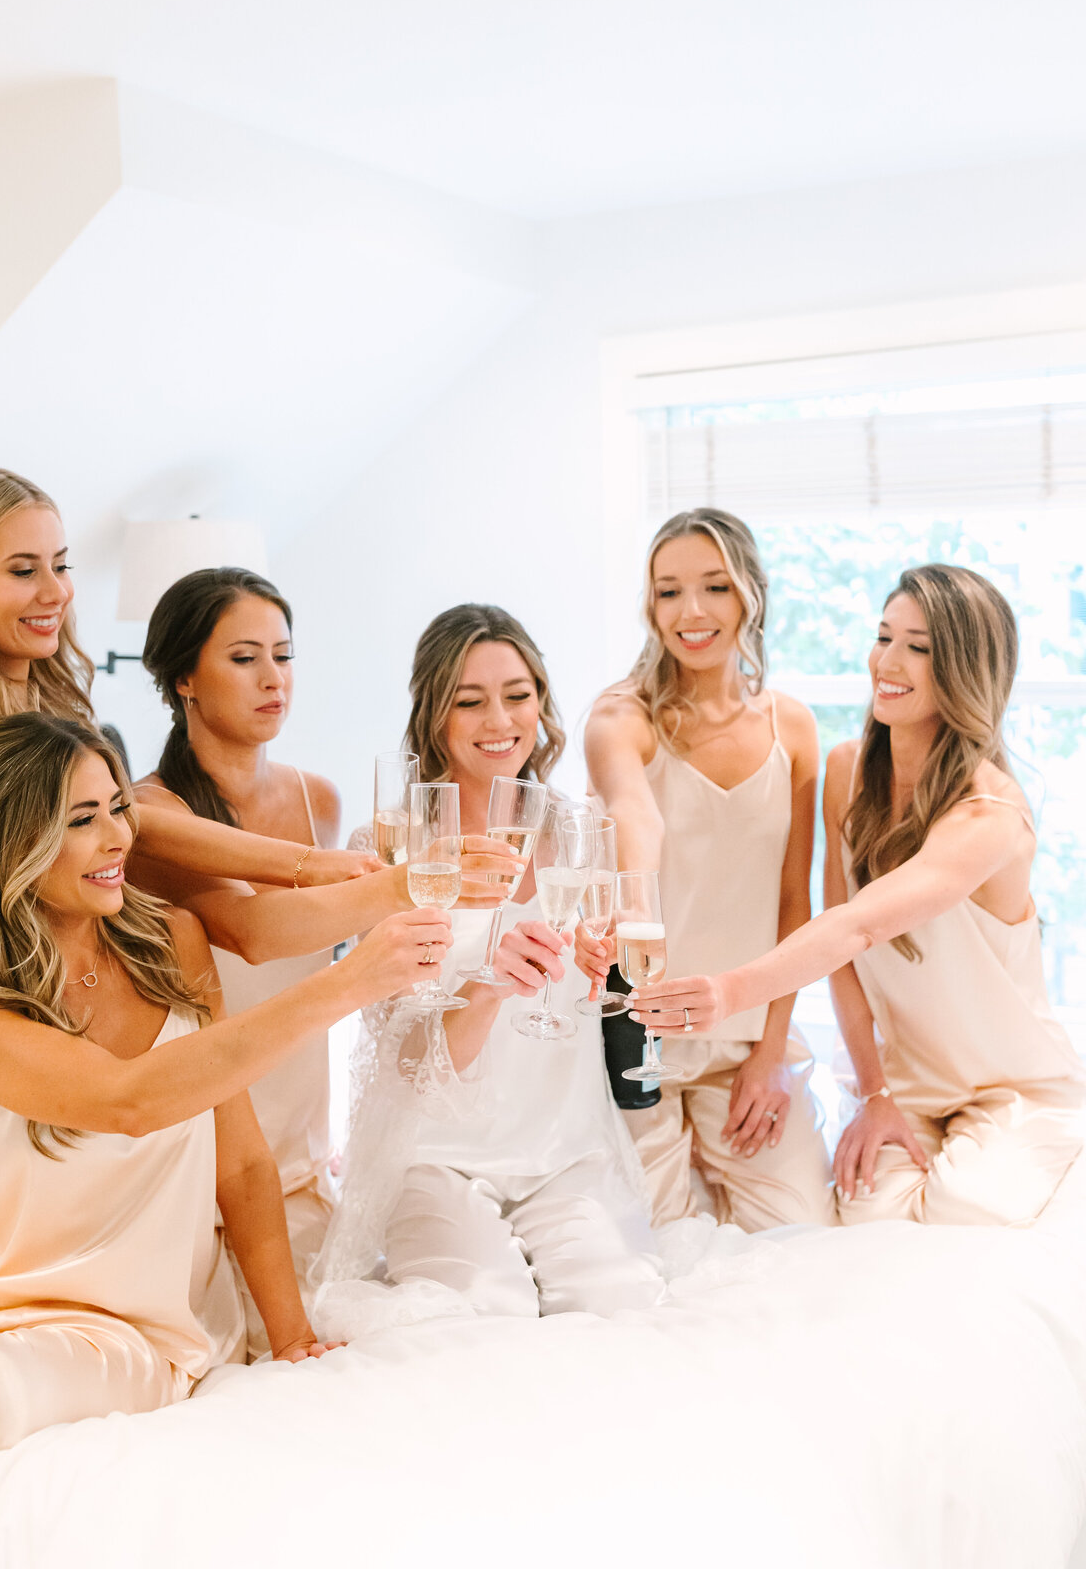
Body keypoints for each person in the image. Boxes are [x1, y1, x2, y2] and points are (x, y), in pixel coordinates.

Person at [0, 713, 444, 1469]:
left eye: (118, 806)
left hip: (128, 1322)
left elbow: (241, 1165)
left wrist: (291, 1339)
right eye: (81, 819)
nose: (118, 837)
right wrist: (350, 981)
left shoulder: (171, 943)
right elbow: (127, 1100)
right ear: (6, 840)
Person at [0, 469, 383, 1228]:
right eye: (23, 570)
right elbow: (135, 823)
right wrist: (305, 864)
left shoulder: (54, 712)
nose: (55, 591)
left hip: (65, 1036)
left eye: (61, 565)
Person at [631, 564, 1085, 1227]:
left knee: (965, 1211)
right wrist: (873, 1092)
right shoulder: (848, 773)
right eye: (883, 636)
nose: (887, 661)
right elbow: (843, 960)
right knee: (867, 1218)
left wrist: (730, 994)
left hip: (1013, 1090)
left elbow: (858, 928)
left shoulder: (991, 814)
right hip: (908, 1091)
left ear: (965, 670)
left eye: (919, 647)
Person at [133, 567, 516, 1302]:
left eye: (283, 654)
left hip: (303, 1155)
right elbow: (254, 931)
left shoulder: (319, 798)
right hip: (204, 1143)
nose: (273, 677)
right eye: (244, 658)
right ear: (185, 677)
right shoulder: (153, 812)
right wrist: (413, 881)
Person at [320, 604, 664, 1320]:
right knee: (487, 1306)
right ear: (433, 714)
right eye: (468, 701)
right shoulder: (390, 846)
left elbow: (590, 999)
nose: (499, 720)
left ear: (542, 701)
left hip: (562, 1152)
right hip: (436, 1155)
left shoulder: (578, 831)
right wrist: (487, 986)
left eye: (518, 694)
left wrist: (598, 970)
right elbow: (403, 1056)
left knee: (619, 1304)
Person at [577, 509, 834, 1230]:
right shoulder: (620, 718)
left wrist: (773, 1055)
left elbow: (795, 900)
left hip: (748, 1037)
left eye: (714, 587)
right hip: (638, 1040)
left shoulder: (795, 728)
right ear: (649, 606)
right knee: (656, 1252)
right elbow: (635, 810)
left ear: (750, 592)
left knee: (800, 1236)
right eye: (668, 591)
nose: (691, 612)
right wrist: (636, 903)